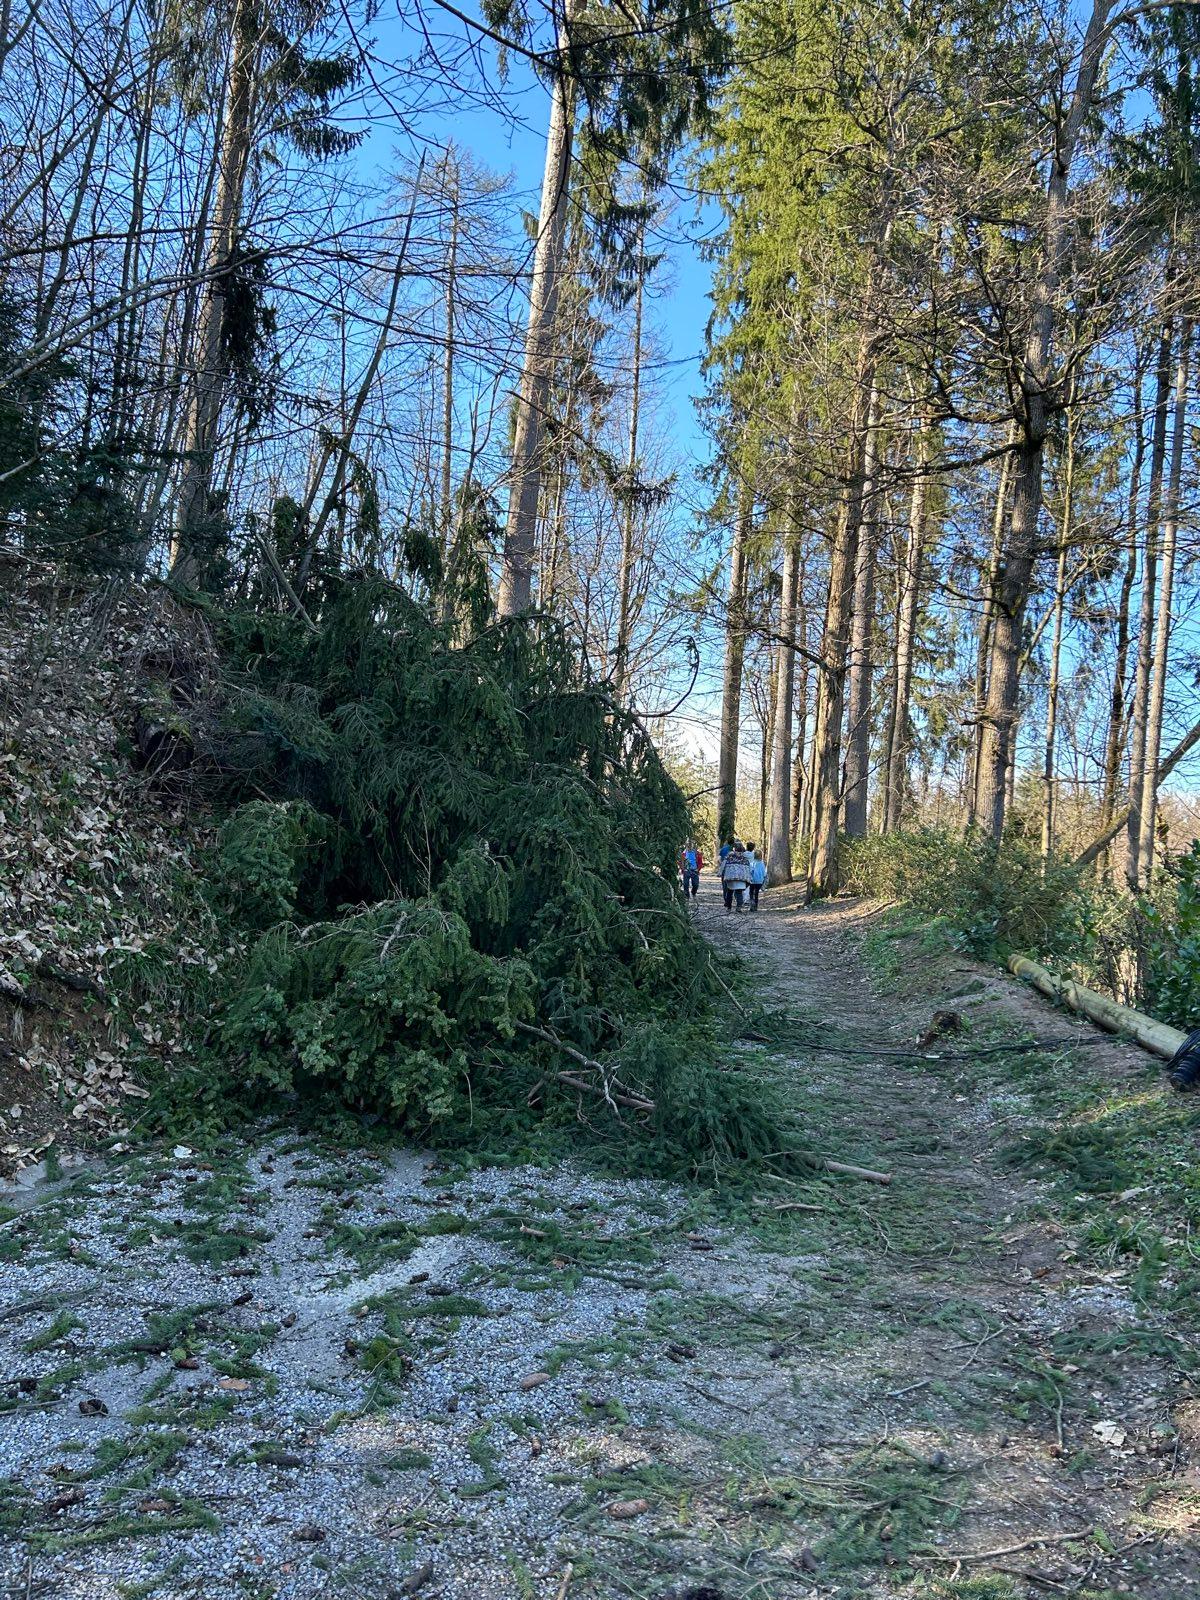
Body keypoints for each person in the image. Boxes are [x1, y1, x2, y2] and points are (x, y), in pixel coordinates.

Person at [719, 839, 751, 912]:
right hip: (741, 878)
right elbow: (748, 868)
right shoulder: (745, 858)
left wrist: (720, 872)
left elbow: (723, 864)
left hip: (731, 877)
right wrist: (749, 877)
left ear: (734, 848)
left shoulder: (730, 856)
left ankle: (729, 907)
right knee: (739, 893)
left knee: (729, 892)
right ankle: (738, 908)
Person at [746, 841, 767, 911]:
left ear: (754, 855)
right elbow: (764, 873)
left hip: (752, 881)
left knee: (751, 892)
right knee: (756, 893)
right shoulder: (762, 863)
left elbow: (750, 872)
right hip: (759, 881)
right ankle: (756, 906)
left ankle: (751, 904)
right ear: (761, 856)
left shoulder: (752, 863)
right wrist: (763, 878)